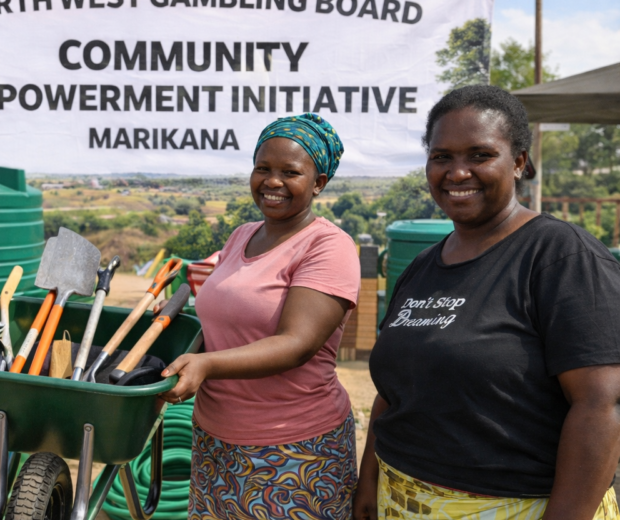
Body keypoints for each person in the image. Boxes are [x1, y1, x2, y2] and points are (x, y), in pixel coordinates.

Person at [352, 85, 620, 519]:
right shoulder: (422, 266)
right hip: (401, 501)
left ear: (518, 162)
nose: (458, 172)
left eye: (480, 155)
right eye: (442, 156)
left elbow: (600, 406)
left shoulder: (560, 256)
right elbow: (395, 391)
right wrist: (369, 479)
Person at [159, 114, 362, 519]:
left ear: (318, 182)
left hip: (294, 450)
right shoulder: (242, 235)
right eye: (263, 168)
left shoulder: (328, 246)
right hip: (216, 441)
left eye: (290, 172)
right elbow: (221, 320)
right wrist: (165, 331)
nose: (272, 181)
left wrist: (206, 364)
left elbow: (296, 344)